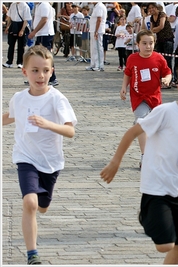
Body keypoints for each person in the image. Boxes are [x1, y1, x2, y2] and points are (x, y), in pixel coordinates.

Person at [100, 57, 178, 264]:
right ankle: (146, 215)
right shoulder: (165, 112)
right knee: (165, 245)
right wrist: (115, 162)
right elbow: (132, 132)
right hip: (157, 190)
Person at [2, 44, 77, 265]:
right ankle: (32, 253)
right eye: (34, 70)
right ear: (24, 71)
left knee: (42, 206)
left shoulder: (57, 99)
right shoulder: (19, 97)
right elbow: (10, 116)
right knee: (30, 203)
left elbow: (70, 130)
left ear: (52, 71)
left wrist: (48, 124)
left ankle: (42, 202)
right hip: (26, 158)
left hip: (51, 162)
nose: (40, 75)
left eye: (45, 70)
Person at [119, 29, 172, 169]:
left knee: (157, 127)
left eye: (151, 43)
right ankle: (145, 155)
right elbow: (127, 73)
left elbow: (168, 72)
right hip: (138, 97)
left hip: (155, 98)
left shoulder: (159, 58)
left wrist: (166, 79)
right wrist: (124, 87)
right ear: (137, 44)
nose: (148, 46)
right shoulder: (132, 59)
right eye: (144, 43)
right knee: (142, 124)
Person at [28, 2, 59, 87]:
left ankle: (52, 78)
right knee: (38, 56)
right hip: (41, 34)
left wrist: (34, 32)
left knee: (45, 57)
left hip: (44, 34)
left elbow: (44, 20)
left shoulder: (44, 5)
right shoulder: (39, 5)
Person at [148, 2, 174, 80]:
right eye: (150, 8)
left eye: (153, 7)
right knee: (158, 60)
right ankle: (160, 78)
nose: (151, 9)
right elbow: (151, 29)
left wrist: (154, 29)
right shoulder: (152, 17)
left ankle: (168, 80)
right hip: (159, 40)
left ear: (156, 8)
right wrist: (154, 30)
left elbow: (161, 26)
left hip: (168, 39)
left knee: (167, 61)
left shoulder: (162, 14)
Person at [3, 2, 32, 69]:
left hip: (21, 24)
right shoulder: (13, 5)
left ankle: (20, 62)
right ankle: (9, 62)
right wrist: (7, 26)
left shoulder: (25, 6)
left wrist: (22, 30)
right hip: (13, 24)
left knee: (21, 45)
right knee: (11, 44)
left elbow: (26, 19)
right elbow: (9, 17)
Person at [85, 1, 107, 71]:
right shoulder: (96, 6)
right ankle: (93, 64)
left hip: (98, 30)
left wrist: (96, 31)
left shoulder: (100, 6)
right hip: (93, 29)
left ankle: (99, 65)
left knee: (98, 48)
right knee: (93, 48)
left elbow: (99, 19)